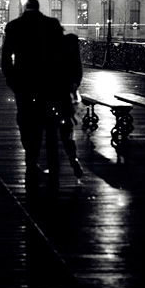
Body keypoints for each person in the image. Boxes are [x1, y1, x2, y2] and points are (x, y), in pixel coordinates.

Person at [1, 0, 65, 188]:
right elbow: (61, 54)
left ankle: (31, 157)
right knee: (50, 124)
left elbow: (6, 57)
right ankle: (53, 165)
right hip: (48, 83)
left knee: (26, 120)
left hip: (24, 82)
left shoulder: (14, 26)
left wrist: (11, 79)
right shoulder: (51, 25)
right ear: (38, 8)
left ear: (25, 7)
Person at [56, 33, 84, 179]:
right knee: (66, 131)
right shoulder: (73, 54)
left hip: (53, 97)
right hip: (65, 98)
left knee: (51, 130)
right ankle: (73, 157)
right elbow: (78, 73)